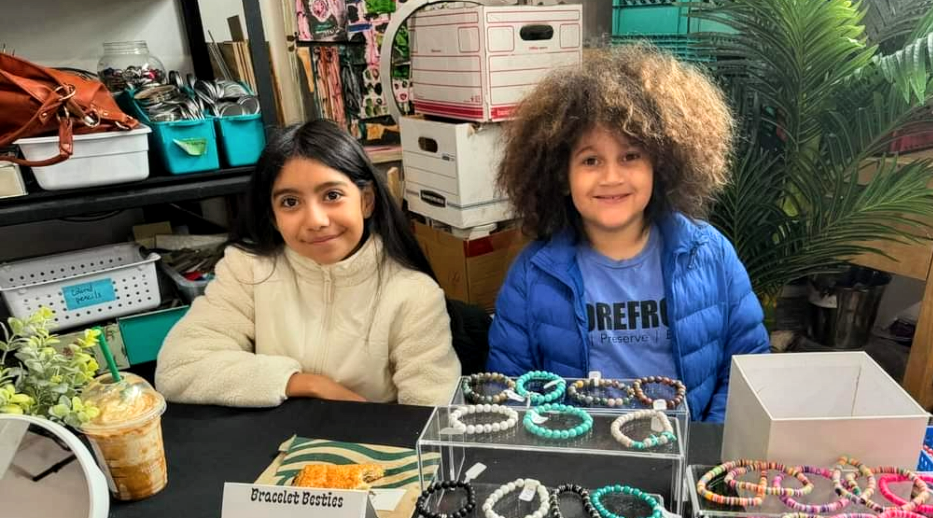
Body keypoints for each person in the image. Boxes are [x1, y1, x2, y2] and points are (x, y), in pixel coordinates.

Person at [486, 45, 769, 421]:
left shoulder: (711, 254)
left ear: (661, 165)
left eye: (630, 156)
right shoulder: (532, 273)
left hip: (687, 457)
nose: (611, 177)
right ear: (561, 175)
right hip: (579, 461)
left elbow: (746, 372)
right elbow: (511, 390)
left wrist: (704, 444)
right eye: (590, 160)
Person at [156, 119, 460, 407]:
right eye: (290, 202)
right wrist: (305, 384)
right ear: (273, 217)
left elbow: (433, 418)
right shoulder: (249, 270)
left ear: (366, 201)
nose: (315, 221)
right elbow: (178, 367)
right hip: (273, 449)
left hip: (371, 455)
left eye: (332, 195)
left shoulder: (413, 294)